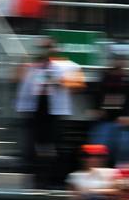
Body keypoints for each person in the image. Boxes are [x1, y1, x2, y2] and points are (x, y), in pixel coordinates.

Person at [15, 38, 84, 188]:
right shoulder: (32, 67)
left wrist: (60, 81)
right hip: (35, 110)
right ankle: (37, 179)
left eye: (47, 47)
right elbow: (17, 80)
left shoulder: (65, 66)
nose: (44, 51)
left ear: (54, 49)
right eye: (41, 48)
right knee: (34, 147)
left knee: (55, 147)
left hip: (55, 112)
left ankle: (54, 180)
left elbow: (79, 84)